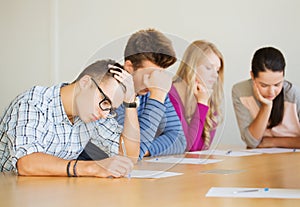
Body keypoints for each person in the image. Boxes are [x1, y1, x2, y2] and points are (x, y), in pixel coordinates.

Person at [0, 59, 140, 178]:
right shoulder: (33, 102)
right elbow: (26, 164)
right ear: (85, 83)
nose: (105, 114)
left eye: (110, 109)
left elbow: (128, 157)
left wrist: (131, 103)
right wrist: (92, 168)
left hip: (51, 192)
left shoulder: (94, 114)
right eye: (105, 102)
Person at [232, 46, 300, 149]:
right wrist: (266, 107)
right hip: (260, 158)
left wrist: (272, 142)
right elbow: (252, 142)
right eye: (264, 85)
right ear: (252, 76)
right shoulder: (241, 92)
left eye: (277, 84)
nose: (271, 92)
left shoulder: (294, 94)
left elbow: (259, 144)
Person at [169, 40, 224, 151]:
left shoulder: (207, 97)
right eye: (208, 68)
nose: (215, 75)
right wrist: (202, 104)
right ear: (191, 66)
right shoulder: (169, 94)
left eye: (217, 70)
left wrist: (202, 102)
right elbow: (189, 147)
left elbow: (201, 147)